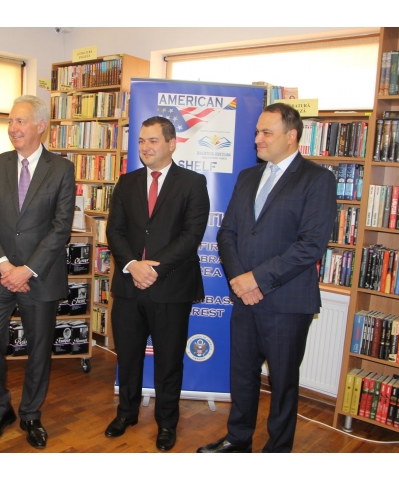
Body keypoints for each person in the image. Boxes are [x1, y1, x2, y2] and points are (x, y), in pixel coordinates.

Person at [197, 103, 336, 453]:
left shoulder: (317, 179)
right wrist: (240, 281)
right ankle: (237, 439)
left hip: (287, 302)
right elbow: (227, 234)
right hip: (245, 299)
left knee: (283, 383)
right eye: (257, 132)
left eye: (266, 133)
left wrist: (256, 280)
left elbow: (311, 245)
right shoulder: (248, 176)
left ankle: (277, 451)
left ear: (291, 136)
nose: (257, 139)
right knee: (242, 375)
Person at [104, 116, 210, 451]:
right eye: (141, 141)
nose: (145, 147)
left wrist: (154, 270)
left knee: (168, 361)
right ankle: (127, 413)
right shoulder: (127, 183)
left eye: (152, 140)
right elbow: (114, 231)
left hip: (171, 288)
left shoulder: (193, 183)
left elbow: (191, 235)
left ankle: (167, 423)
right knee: (128, 357)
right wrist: (133, 265)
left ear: (171, 143)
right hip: (129, 286)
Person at [0, 95, 75, 449]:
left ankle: (31, 413)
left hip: (40, 276)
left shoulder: (61, 169)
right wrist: (5, 265)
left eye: (20, 121)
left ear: (40, 125)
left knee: (39, 348)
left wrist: (27, 270)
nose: (13, 128)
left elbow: (61, 228)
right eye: (10, 121)